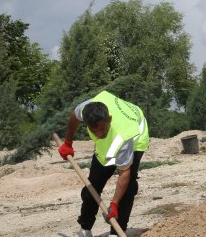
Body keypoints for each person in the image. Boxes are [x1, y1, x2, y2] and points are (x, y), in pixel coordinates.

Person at [58, 90, 149, 237]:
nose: (99, 133)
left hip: (135, 137)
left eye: (102, 129)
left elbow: (124, 173)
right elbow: (74, 117)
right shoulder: (87, 109)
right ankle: (85, 229)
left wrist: (114, 204)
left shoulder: (125, 135)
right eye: (94, 131)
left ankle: (117, 232)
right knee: (92, 185)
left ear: (110, 119)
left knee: (128, 187)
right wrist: (68, 142)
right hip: (110, 141)